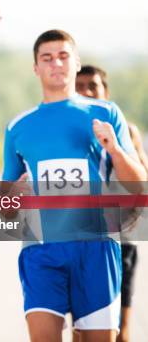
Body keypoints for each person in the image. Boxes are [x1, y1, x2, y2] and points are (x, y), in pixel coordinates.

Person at [2, 31, 147, 342]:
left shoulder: (106, 113)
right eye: (47, 57)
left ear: (76, 62)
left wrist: (115, 150)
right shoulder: (18, 126)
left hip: (97, 248)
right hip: (41, 250)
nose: (56, 63)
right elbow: (6, 206)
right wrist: (12, 196)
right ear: (36, 68)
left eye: (64, 56)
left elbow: (138, 187)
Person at [76, 65, 148, 342]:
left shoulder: (126, 129)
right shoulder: (72, 131)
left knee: (120, 328)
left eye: (93, 85)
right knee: (81, 329)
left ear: (106, 92)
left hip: (122, 240)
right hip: (80, 239)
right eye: (80, 85)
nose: (86, 91)